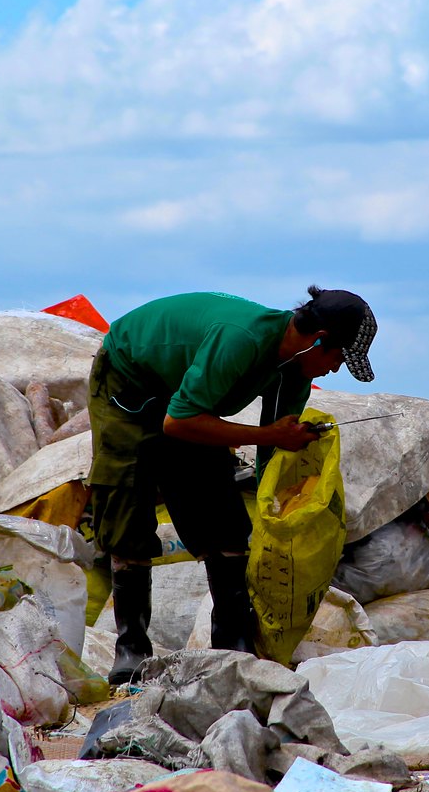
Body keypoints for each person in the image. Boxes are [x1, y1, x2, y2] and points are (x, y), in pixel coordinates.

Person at [86, 286, 378, 683]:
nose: (335, 370)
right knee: (127, 505)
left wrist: (280, 512)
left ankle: (232, 646)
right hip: (131, 380)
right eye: (339, 358)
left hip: (188, 398)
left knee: (224, 519)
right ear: (319, 340)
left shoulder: (294, 368)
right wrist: (272, 436)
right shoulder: (241, 341)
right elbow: (179, 422)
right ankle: (131, 651)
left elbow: (272, 453)